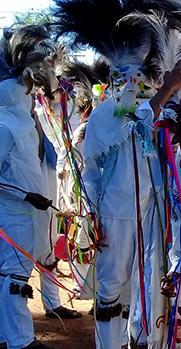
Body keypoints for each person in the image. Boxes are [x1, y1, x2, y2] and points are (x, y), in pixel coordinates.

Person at [52, 0, 181, 349]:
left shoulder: (141, 111)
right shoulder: (106, 115)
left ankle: (136, 338)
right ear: (116, 80)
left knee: (141, 281)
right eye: (127, 80)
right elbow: (101, 158)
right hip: (115, 212)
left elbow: (149, 127)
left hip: (147, 210)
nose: (134, 87)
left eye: (139, 80)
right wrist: (166, 89)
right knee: (112, 285)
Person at [0, 25, 59, 349]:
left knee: (12, 274)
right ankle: (20, 340)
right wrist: (25, 195)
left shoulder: (24, 123)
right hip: (14, 215)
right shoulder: (5, 126)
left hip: (28, 214)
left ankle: (7, 337)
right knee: (13, 277)